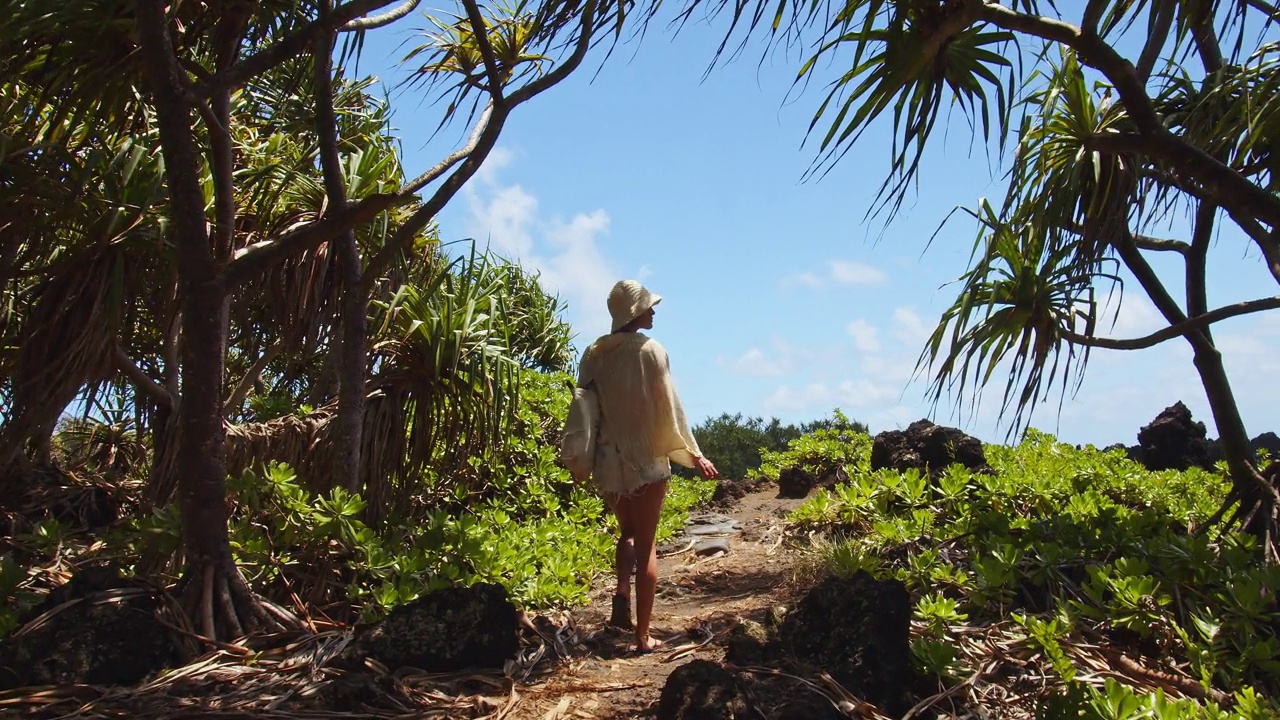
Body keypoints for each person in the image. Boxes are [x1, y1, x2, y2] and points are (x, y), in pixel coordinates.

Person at [576, 279, 719, 652]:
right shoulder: (652, 352)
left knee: (627, 531)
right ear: (635, 312)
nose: (653, 312)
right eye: (648, 307)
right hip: (646, 461)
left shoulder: (593, 354)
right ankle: (643, 637)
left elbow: (586, 409)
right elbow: (670, 411)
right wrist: (693, 453)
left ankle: (621, 596)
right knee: (648, 544)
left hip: (608, 460)